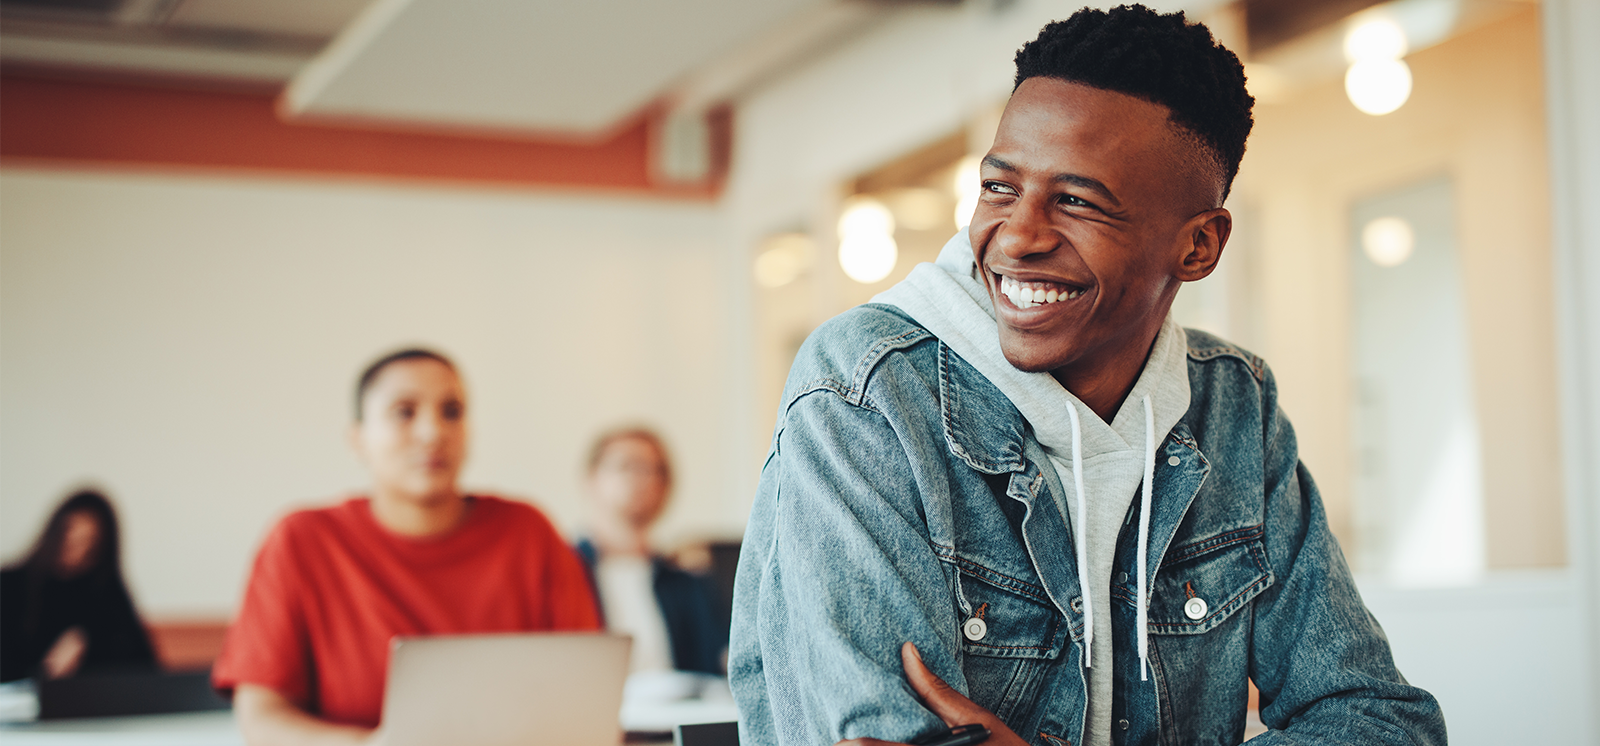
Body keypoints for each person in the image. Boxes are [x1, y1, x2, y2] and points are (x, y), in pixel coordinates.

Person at [729, 6, 1447, 746]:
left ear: (1199, 246)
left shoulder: (1232, 404)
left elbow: (1384, 723)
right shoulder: (867, 387)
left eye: (1076, 201)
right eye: (1000, 188)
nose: (1018, 236)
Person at [212, 348, 600, 745]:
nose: (433, 432)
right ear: (358, 439)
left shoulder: (529, 533)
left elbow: (590, 695)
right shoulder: (300, 541)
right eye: (404, 412)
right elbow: (261, 718)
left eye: (452, 411)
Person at [575, 427, 727, 677]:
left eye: (657, 470)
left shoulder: (686, 580)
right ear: (591, 479)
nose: (644, 479)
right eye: (628, 466)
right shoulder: (563, 572)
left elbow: (714, 663)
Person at [1, 489, 157, 683]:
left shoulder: (108, 595)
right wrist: (46, 670)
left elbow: (145, 671)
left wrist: (90, 647)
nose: (75, 552)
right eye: (70, 539)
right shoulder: (10, 586)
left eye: (88, 543)